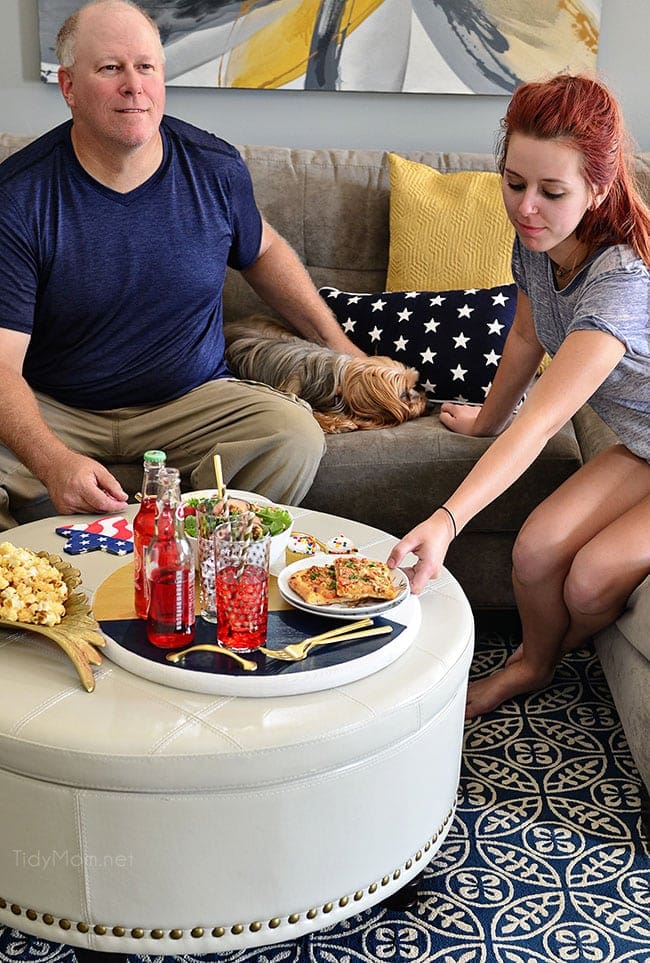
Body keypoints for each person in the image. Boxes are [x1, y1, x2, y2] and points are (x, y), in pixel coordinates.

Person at [0, 0, 365, 531]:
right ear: (69, 87)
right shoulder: (18, 196)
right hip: (58, 406)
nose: (134, 85)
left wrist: (343, 350)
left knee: (292, 434)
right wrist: (54, 462)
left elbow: (262, 250)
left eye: (146, 66)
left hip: (189, 400)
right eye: (110, 68)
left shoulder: (213, 169)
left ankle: (199, 559)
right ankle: (37, 590)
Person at [388, 73, 650, 719]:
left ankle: (550, 656)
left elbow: (540, 426)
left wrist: (447, 521)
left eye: (551, 191)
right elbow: (529, 333)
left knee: (589, 579)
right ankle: (531, 665)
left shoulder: (621, 283)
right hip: (643, 443)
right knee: (533, 551)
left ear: (599, 187)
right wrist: (484, 421)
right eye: (514, 182)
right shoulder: (538, 244)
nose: (525, 206)